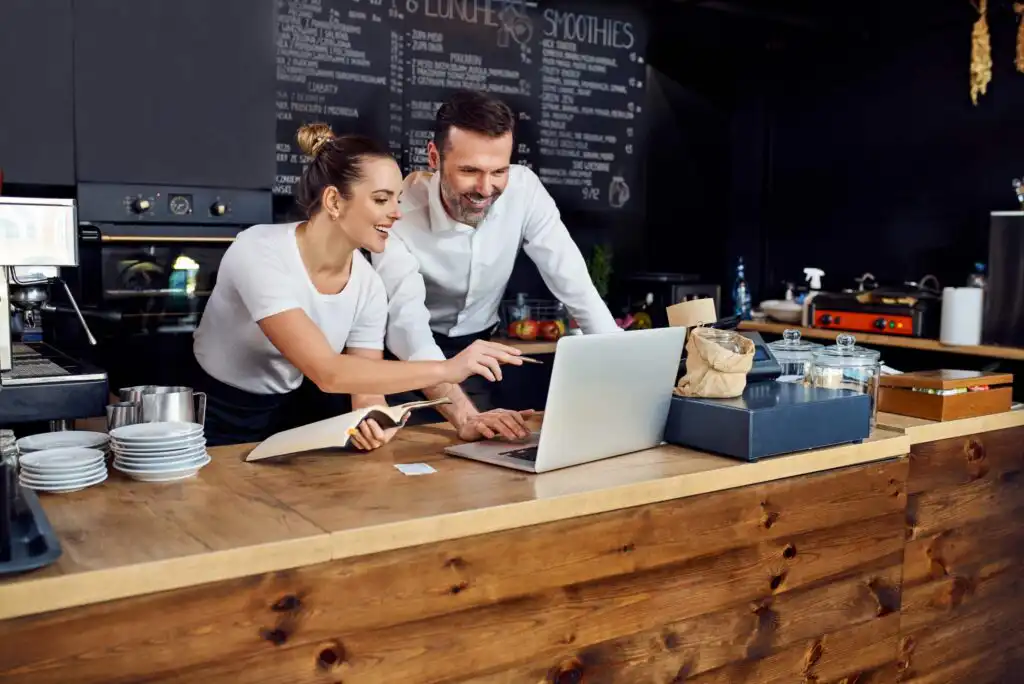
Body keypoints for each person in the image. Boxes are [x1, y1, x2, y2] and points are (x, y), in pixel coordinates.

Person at [190, 123, 526, 447]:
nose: (396, 214)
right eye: (382, 200)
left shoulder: (368, 285)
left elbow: (366, 384)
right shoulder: (259, 251)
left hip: (293, 414)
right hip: (212, 416)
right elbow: (328, 371)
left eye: (397, 199)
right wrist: (450, 368)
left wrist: (373, 417)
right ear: (334, 201)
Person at [372, 90, 620, 433]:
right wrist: (464, 417)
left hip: (477, 353)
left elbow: (575, 285)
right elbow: (408, 329)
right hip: (403, 363)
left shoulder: (524, 191)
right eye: (469, 170)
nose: (485, 188)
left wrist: (624, 375)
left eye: (498, 171)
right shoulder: (398, 214)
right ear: (434, 157)